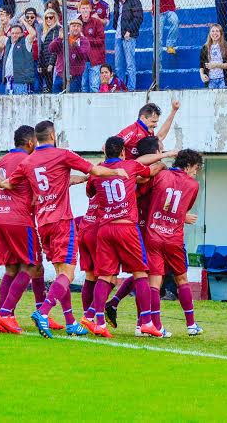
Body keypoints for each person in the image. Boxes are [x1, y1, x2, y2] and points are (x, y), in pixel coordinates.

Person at [0, 120, 131, 339]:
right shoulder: (62, 154)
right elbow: (95, 169)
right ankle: (43, 312)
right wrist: (116, 173)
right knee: (67, 273)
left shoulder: (28, 162)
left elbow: (10, 183)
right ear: (52, 135)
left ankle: (70, 322)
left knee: (61, 273)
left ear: (36, 139)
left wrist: (0, 182)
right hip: (62, 221)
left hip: (43, 223)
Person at [79, 136, 166, 339]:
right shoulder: (130, 165)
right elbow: (149, 172)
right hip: (126, 227)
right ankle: (146, 322)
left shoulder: (97, 171)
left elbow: (89, 192)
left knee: (104, 275)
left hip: (105, 228)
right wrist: (161, 163)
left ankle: (97, 321)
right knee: (140, 273)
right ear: (122, 152)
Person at [0, 125, 69, 335]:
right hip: (20, 220)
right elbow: (39, 192)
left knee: (14, 269)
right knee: (31, 266)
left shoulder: (1, 161)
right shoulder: (28, 162)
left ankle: (9, 316)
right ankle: (6, 314)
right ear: (31, 142)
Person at [143, 148, 204, 336]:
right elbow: (182, 207)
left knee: (154, 282)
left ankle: (156, 325)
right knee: (182, 279)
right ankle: (191, 325)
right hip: (173, 238)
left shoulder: (161, 176)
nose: (196, 171)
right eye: (196, 167)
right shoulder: (193, 185)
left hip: (153, 234)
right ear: (188, 166)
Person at [111, 0, 143, 90]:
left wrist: (129, 31)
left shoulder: (135, 1)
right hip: (118, 36)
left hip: (128, 36)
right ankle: (121, 87)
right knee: (118, 65)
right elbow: (116, 18)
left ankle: (131, 87)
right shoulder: (117, 1)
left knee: (130, 64)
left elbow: (138, 18)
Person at [199, 24, 227, 89]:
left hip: (224, 80)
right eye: (213, 31)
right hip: (210, 80)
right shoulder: (205, 47)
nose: (215, 33)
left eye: (217, 31)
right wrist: (202, 75)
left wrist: (216, 65)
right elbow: (201, 65)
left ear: (221, 33)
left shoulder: (226, 46)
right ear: (209, 33)